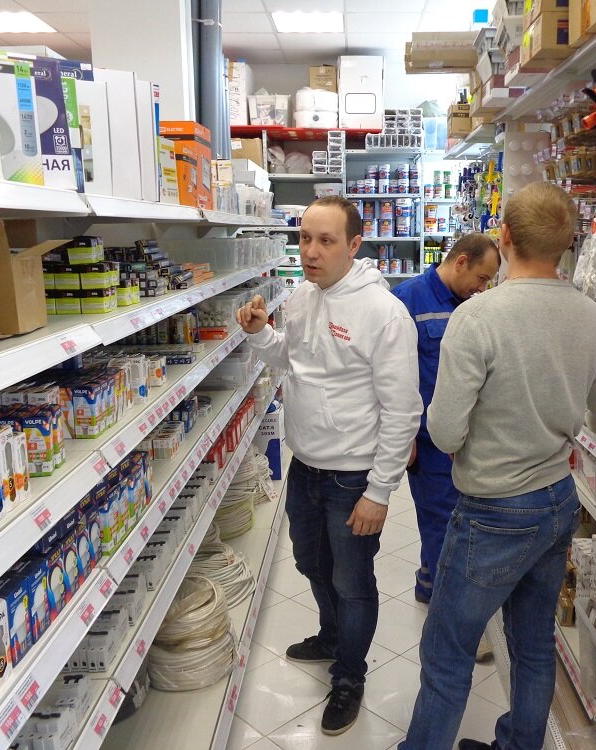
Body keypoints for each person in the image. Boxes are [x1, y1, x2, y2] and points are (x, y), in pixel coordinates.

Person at [399, 182, 596, 750]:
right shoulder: (590, 316)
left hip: (493, 508)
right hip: (557, 499)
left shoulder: (478, 316)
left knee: (448, 648)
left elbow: (445, 431)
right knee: (532, 640)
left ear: (504, 237)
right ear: (568, 244)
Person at [237, 196, 422, 736]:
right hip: (305, 467)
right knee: (311, 563)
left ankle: (349, 676)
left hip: (353, 478)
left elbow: (403, 410)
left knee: (353, 581)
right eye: (304, 239)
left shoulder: (383, 313)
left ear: (354, 245)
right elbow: (289, 360)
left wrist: (379, 492)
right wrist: (260, 333)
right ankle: (331, 635)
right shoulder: (301, 295)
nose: (311, 252)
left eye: (326, 241)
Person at [391, 235, 501, 607]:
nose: (482, 288)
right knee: (440, 520)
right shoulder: (407, 299)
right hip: (429, 440)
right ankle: (445, 604)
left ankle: (429, 582)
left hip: (469, 437)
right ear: (461, 262)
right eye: (481, 278)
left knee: (459, 520)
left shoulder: (476, 306)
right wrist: (403, 435)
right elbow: (391, 375)